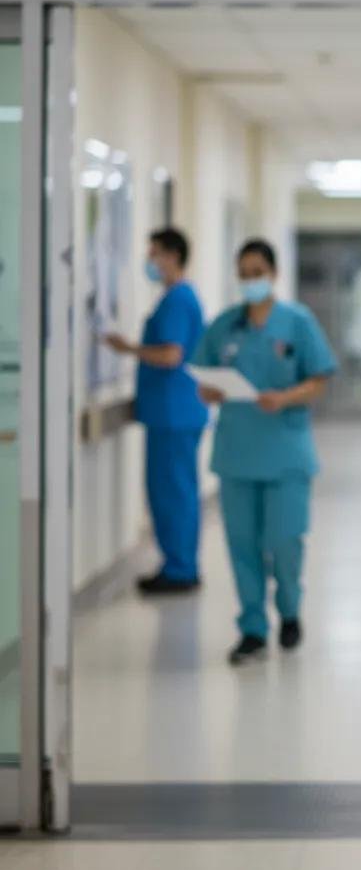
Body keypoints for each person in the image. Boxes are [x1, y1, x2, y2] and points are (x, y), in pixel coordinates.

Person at [191, 238, 337, 665]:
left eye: (258, 271)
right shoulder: (225, 326)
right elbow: (203, 376)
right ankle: (253, 628)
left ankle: (289, 610)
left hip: (287, 453)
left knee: (286, 541)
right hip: (237, 454)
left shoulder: (297, 322)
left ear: (273, 274)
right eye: (244, 272)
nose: (250, 279)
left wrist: (287, 396)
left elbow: (321, 376)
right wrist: (210, 389)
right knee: (242, 546)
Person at [105, 228, 207, 595]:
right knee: (176, 491)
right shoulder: (176, 297)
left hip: (174, 413)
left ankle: (180, 569)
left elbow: (170, 354)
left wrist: (128, 348)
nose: (150, 261)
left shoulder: (178, 299)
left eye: (155, 254)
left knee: (172, 492)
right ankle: (179, 565)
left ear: (173, 256)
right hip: (173, 411)